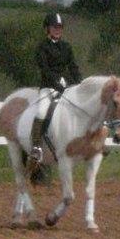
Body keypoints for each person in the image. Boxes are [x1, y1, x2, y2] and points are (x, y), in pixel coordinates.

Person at [28, 12, 82, 168]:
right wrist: (56, 81)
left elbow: (73, 66)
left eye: (60, 27)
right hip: (48, 87)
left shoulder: (66, 47)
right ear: (48, 29)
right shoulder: (42, 47)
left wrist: (80, 82)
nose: (58, 30)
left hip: (66, 86)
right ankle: (36, 147)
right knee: (41, 111)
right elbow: (44, 69)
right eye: (54, 27)